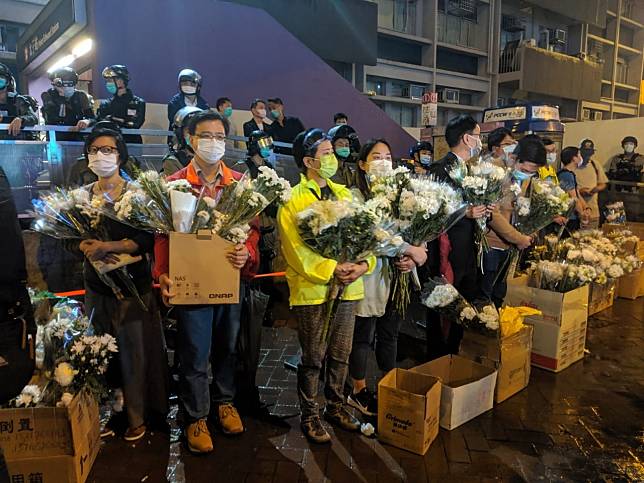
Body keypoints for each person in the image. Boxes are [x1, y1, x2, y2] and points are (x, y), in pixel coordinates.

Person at [155, 110, 260, 454]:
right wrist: (163, 274)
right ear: (190, 139)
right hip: (193, 284)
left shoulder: (240, 184)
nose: (215, 143)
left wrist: (247, 252)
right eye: (207, 136)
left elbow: (253, 232)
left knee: (227, 349)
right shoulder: (175, 185)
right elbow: (162, 236)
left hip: (230, 280)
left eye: (220, 137)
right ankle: (196, 415)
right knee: (195, 351)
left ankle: (225, 402)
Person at [277, 128, 375, 443]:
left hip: (349, 289)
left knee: (341, 353)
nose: (333, 157)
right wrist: (332, 269)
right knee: (313, 356)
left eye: (333, 151)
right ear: (308, 161)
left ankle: (335, 405)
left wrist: (363, 265)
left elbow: (368, 238)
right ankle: (310, 414)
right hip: (313, 290)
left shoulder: (346, 194)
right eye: (326, 153)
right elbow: (295, 250)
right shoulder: (292, 199)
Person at [75, 124, 168, 442]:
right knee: (104, 354)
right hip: (97, 290)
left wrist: (110, 248)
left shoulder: (137, 194)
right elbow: (72, 238)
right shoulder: (83, 196)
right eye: (95, 150)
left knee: (134, 355)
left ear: (120, 154)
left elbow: (145, 239)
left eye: (108, 149)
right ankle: (114, 413)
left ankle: (138, 417)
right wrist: (84, 246)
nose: (101, 156)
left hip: (132, 292)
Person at [346, 139, 428, 416]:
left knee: (390, 333)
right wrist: (409, 249)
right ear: (362, 164)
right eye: (376, 157)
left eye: (388, 157)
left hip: (398, 275)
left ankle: (387, 383)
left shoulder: (401, 194)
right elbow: (372, 237)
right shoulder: (355, 196)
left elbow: (416, 231)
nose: (383, 162)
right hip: (369, 276)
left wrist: (415, 253)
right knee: (363, 335)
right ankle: (357, 389)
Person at [426, 115, 488, 359]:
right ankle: (437, 362)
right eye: (478, 135)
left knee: (463, 310)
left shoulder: (471, 171)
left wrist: (484, 211)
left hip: (468, 254)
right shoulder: (440, 170)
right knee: (443, 310)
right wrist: (466, 212)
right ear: (466, 138)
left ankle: (453, 357)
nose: (480, 140)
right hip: (447, 255)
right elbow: (431, 214)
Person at [481, 135, 543, 307]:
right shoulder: (493, 172)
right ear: (515, 158)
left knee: (499, 293)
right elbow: (492, 214)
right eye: (527, 169)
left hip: (510, 245)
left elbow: (521, 206)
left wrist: (530, 229)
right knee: (486, 295)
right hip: (491, 244)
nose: (528, 174)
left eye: (533, 171)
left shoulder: (521, 177)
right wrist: (518, 238)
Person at [67, 121, 141, 186]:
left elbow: (139, 186)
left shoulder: (130, 164)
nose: (99, 155)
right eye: (94, 149)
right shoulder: (79, 166)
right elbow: (70, 192)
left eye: (107, 150)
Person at [41, 67, 95, 141]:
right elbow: (54, 118)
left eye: (70, 84)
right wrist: (62, 96)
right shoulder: (49, 96)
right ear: (55, 84)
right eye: (63, 84)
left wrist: (87, 121)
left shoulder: (81, 96)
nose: (66, 87)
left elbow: (92, 118)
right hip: (56, 139)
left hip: (77, 139)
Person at [97, 65, 146, 144]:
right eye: (107, 81)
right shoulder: (106, 104)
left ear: (122, 80)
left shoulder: (138, 102)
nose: (108, 83)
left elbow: (136, 124)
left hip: (132, 144)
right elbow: (100, 122)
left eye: (111, 80)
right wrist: (123, 121)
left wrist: (112, 119)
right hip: (110, 144)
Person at [0, 63, 38, 140]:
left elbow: (33, 118)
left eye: (1, 77)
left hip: (19, 145)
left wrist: (20, 119)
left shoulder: (18, 100)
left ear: (8, 82)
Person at [575, 139, 608, 229]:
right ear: (580, 151)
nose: (586, 156)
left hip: (593, 210)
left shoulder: (595, 164)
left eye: (589, 153)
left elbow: (603, 183)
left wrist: (594, 189)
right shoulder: (573, 165)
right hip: (575, 212)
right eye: (584, 152)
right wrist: (580, 192)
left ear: (592, 153)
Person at [161, 106, 202, 176]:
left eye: (200, 131)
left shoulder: (212, 159)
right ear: (180, 133)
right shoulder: (174, 161)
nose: (195, 135)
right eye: (189, 130)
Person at [558, 147, 591, 233]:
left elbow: (577, 193)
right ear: (574, 158)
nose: (581, 157)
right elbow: (574, 198)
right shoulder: (566, 175)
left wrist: (586, 207)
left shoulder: (570, 174)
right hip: (568, 218)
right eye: (579, 154)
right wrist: (582, 215)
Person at [167, 69, 209, 133]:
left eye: (192, 84)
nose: (188, 86)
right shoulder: (174, 102)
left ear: (198, 86)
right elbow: (174, 121)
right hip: (178, 138)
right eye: (184, 83)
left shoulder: (204, 105)